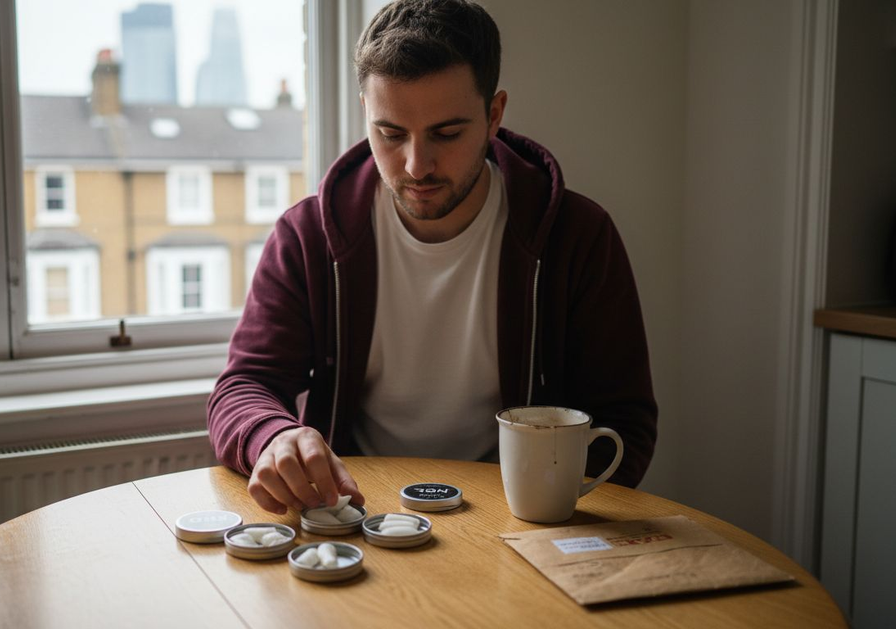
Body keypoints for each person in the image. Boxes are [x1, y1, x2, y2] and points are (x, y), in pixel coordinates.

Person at [208, 0, 657, 514]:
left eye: (446, 133)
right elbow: (244, 387)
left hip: (517, 523)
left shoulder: (577, 236)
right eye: (391, 134)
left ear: (494, 115)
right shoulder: (308, 236)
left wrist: (548, 508)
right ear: (365, 115)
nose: (416, 166)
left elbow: (625, 422)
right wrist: (272, 436)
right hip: (356, 515)